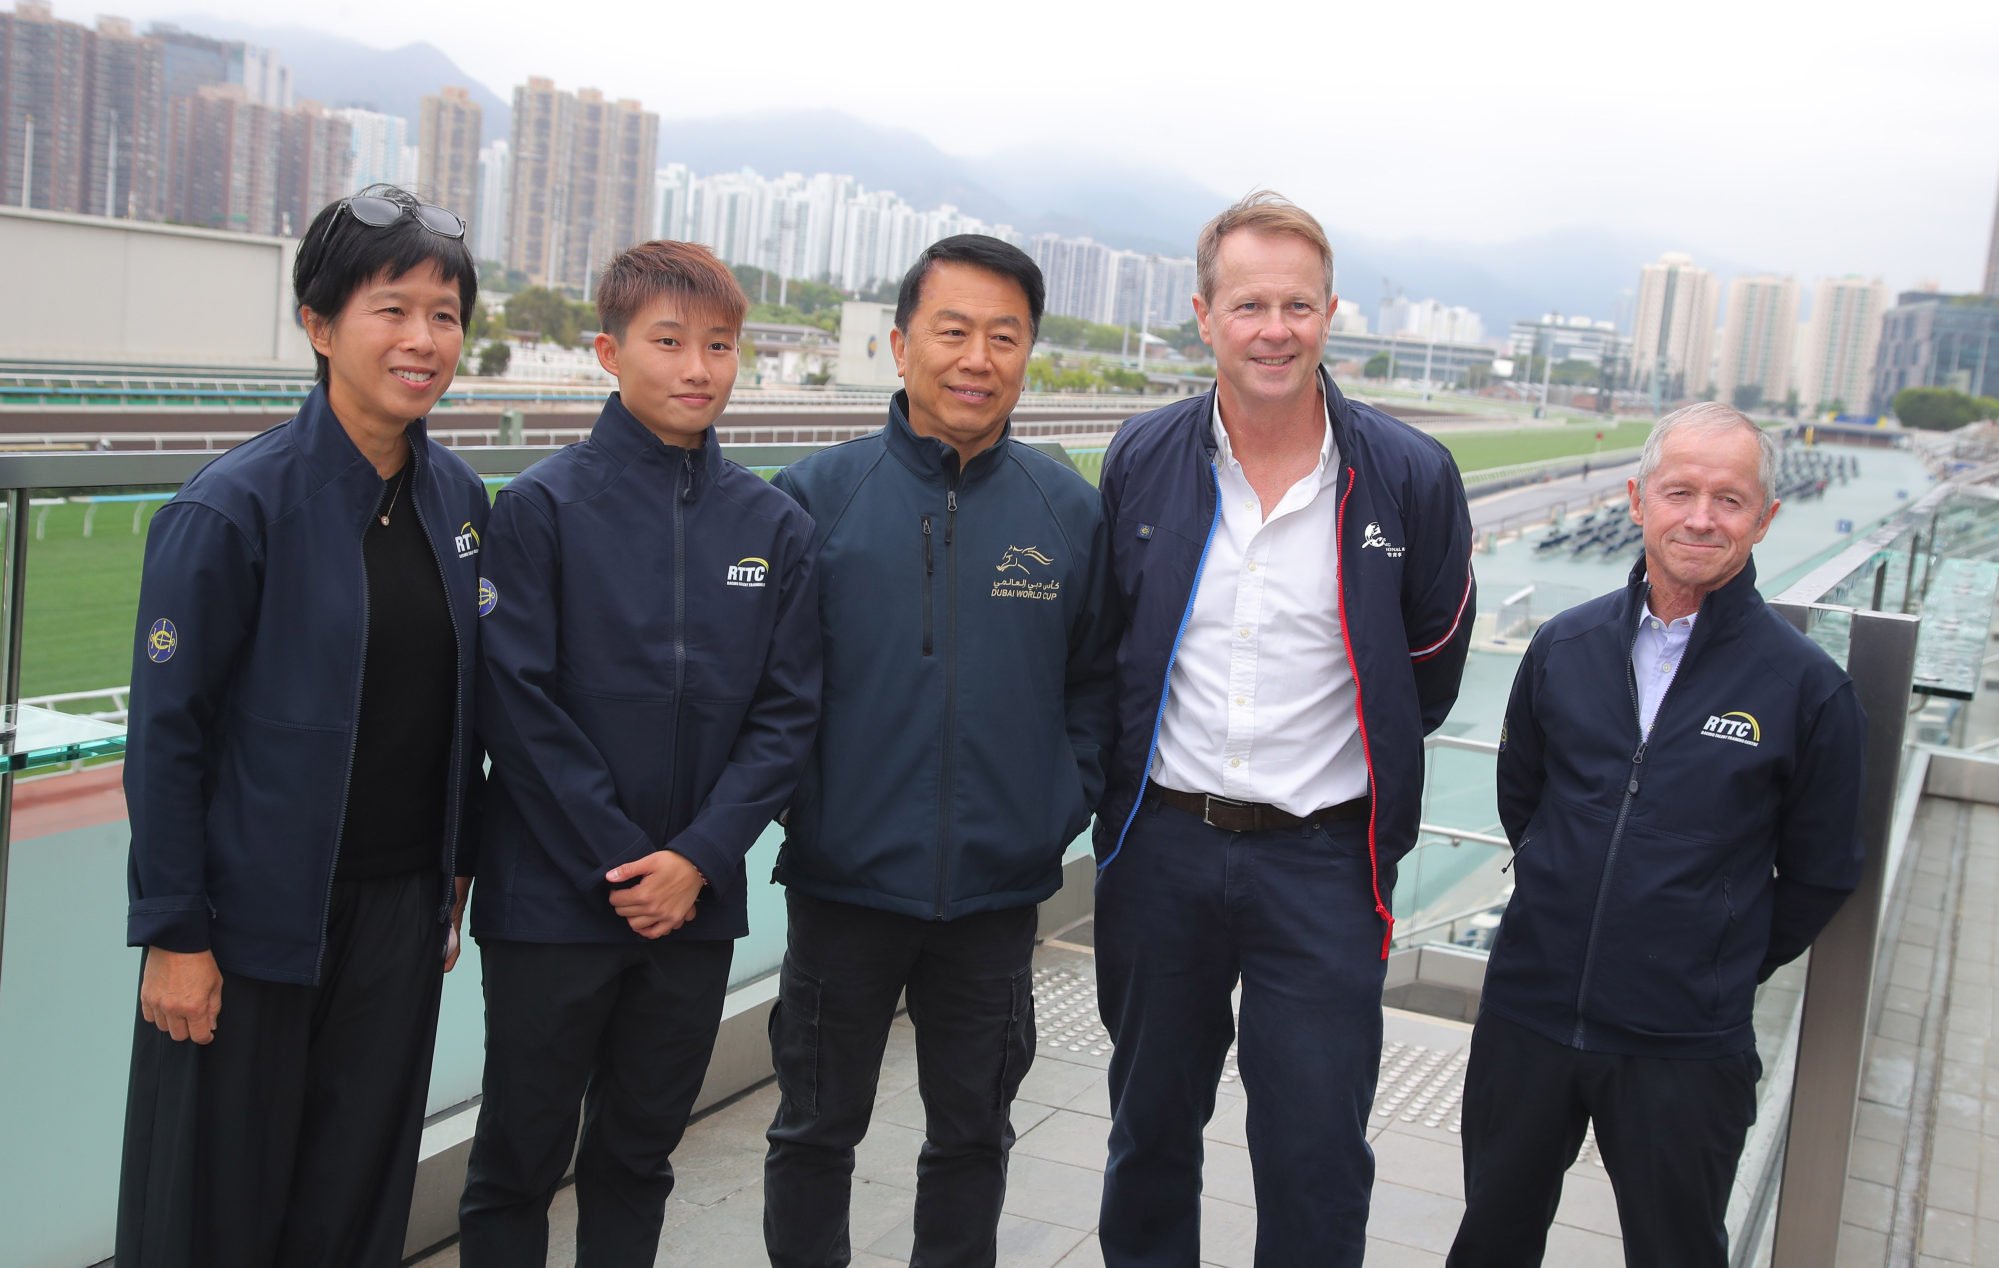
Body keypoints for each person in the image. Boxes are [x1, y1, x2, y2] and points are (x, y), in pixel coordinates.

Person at [1093, 191, 1476, 1268]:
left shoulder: (1407, 475)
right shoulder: (1142, 457)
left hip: (1322, 859)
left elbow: (1428, 667)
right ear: (1205, 315)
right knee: (1148, 1130)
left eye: (1297, 304)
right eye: (1249, 302)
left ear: (1330, 313)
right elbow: (1107, 650)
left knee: (1313, 1148)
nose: (1275, 327)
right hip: (1161, 849)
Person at [116, 184, 488, 1267]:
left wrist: (454, 868)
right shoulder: (231, 508)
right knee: (212, 1212)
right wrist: (175, 932)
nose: (424, 338)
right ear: (320, 326)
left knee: (352, 1201)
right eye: (394, 308)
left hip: (397, 918)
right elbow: (167, 737)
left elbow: (455, 707)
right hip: (246, 926)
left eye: (448, 313)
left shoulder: (459, 502)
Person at [455, 240, 820, 1266]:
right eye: (669, 341)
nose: (697, 367)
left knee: (638, 1152)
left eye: (718, 344)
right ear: (610, 352)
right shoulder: (540, 507)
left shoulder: (773, 524)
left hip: (693, 907)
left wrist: (698, 858)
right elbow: (514, 706)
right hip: (551, 899)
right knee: (517, 1159)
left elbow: (788, 715)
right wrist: (627, 862)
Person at [761, 234, 1118, 1268]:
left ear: (1027, 353)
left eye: (1002, 336)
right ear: (900, 343)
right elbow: (769, 693)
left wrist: (1056, 801)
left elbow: (1097, 685)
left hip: (995, 899)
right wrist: (811, 805)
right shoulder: (816, 497)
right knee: (814, 1130)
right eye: (952, 330)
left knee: (971, 1135)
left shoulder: (1067, 512)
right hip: (841, 886)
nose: (976, 357)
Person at [1447, 403, 1866, 1268]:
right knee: (1490, 1239)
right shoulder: (1563, 646)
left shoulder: (1806, 687)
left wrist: (1712, 953)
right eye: (1679, 491)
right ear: (1638, 500)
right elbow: (1522, 799)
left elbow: (1821, 872)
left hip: (1683, 1042)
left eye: (1729, 498)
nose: (1701, 518)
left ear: (1765, 518)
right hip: (1528, 1016)